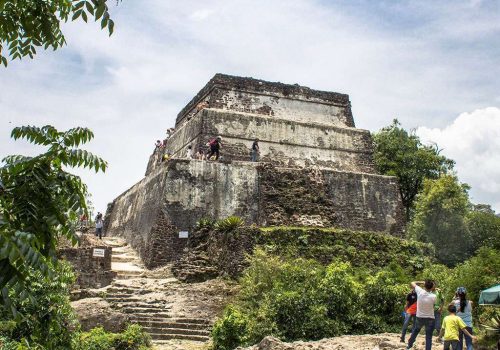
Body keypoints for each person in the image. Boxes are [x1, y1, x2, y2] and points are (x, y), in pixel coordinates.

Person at [406, 280, 437, 350]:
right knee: (429, 337)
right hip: (430, 318)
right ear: (432, 287)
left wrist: (422, 282)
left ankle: (409, 345)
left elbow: (412, 283)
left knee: (416, 331)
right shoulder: (434, 296)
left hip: (420, 317)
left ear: (424, 286)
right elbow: (434, 305)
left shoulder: (419, 291)